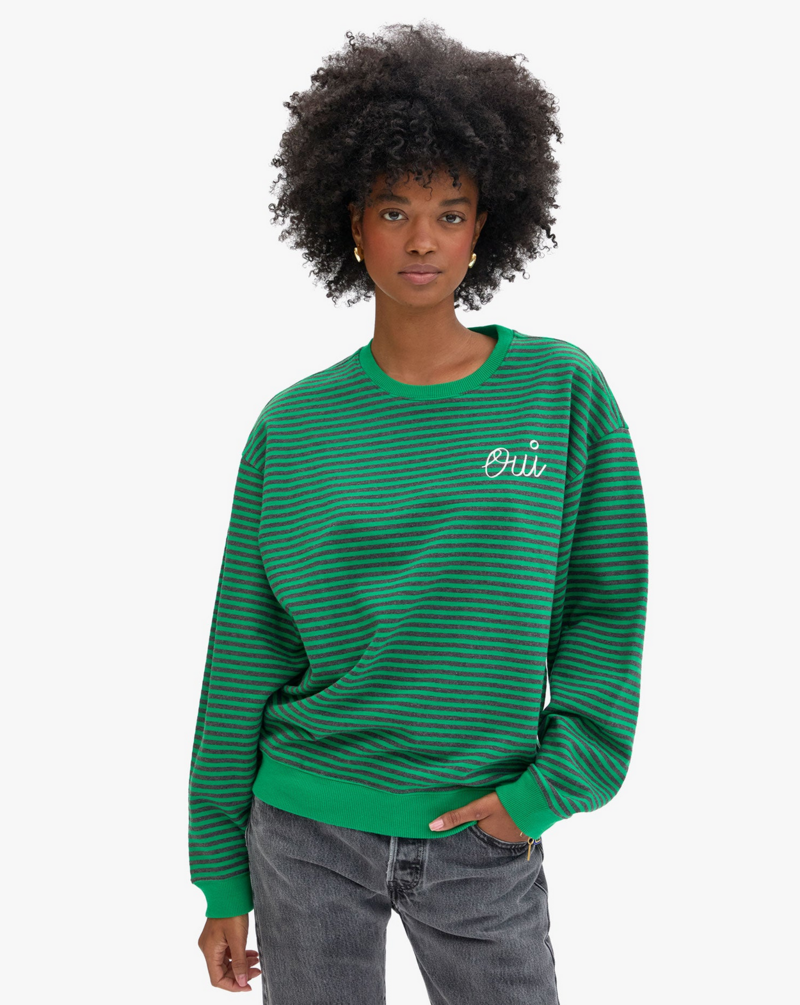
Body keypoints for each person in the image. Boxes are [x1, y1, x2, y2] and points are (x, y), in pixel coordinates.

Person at [189, 21, 649, 1004]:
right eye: (393, 210)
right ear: (352, 224)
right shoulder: (293, 426)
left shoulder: (557, 391)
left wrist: (550, 787)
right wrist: (219, 872)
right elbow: (244, 651)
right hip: (303, 830)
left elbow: (605, 605)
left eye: (450, 211)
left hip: (481, 831)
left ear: (484, 226)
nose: (422, 239)